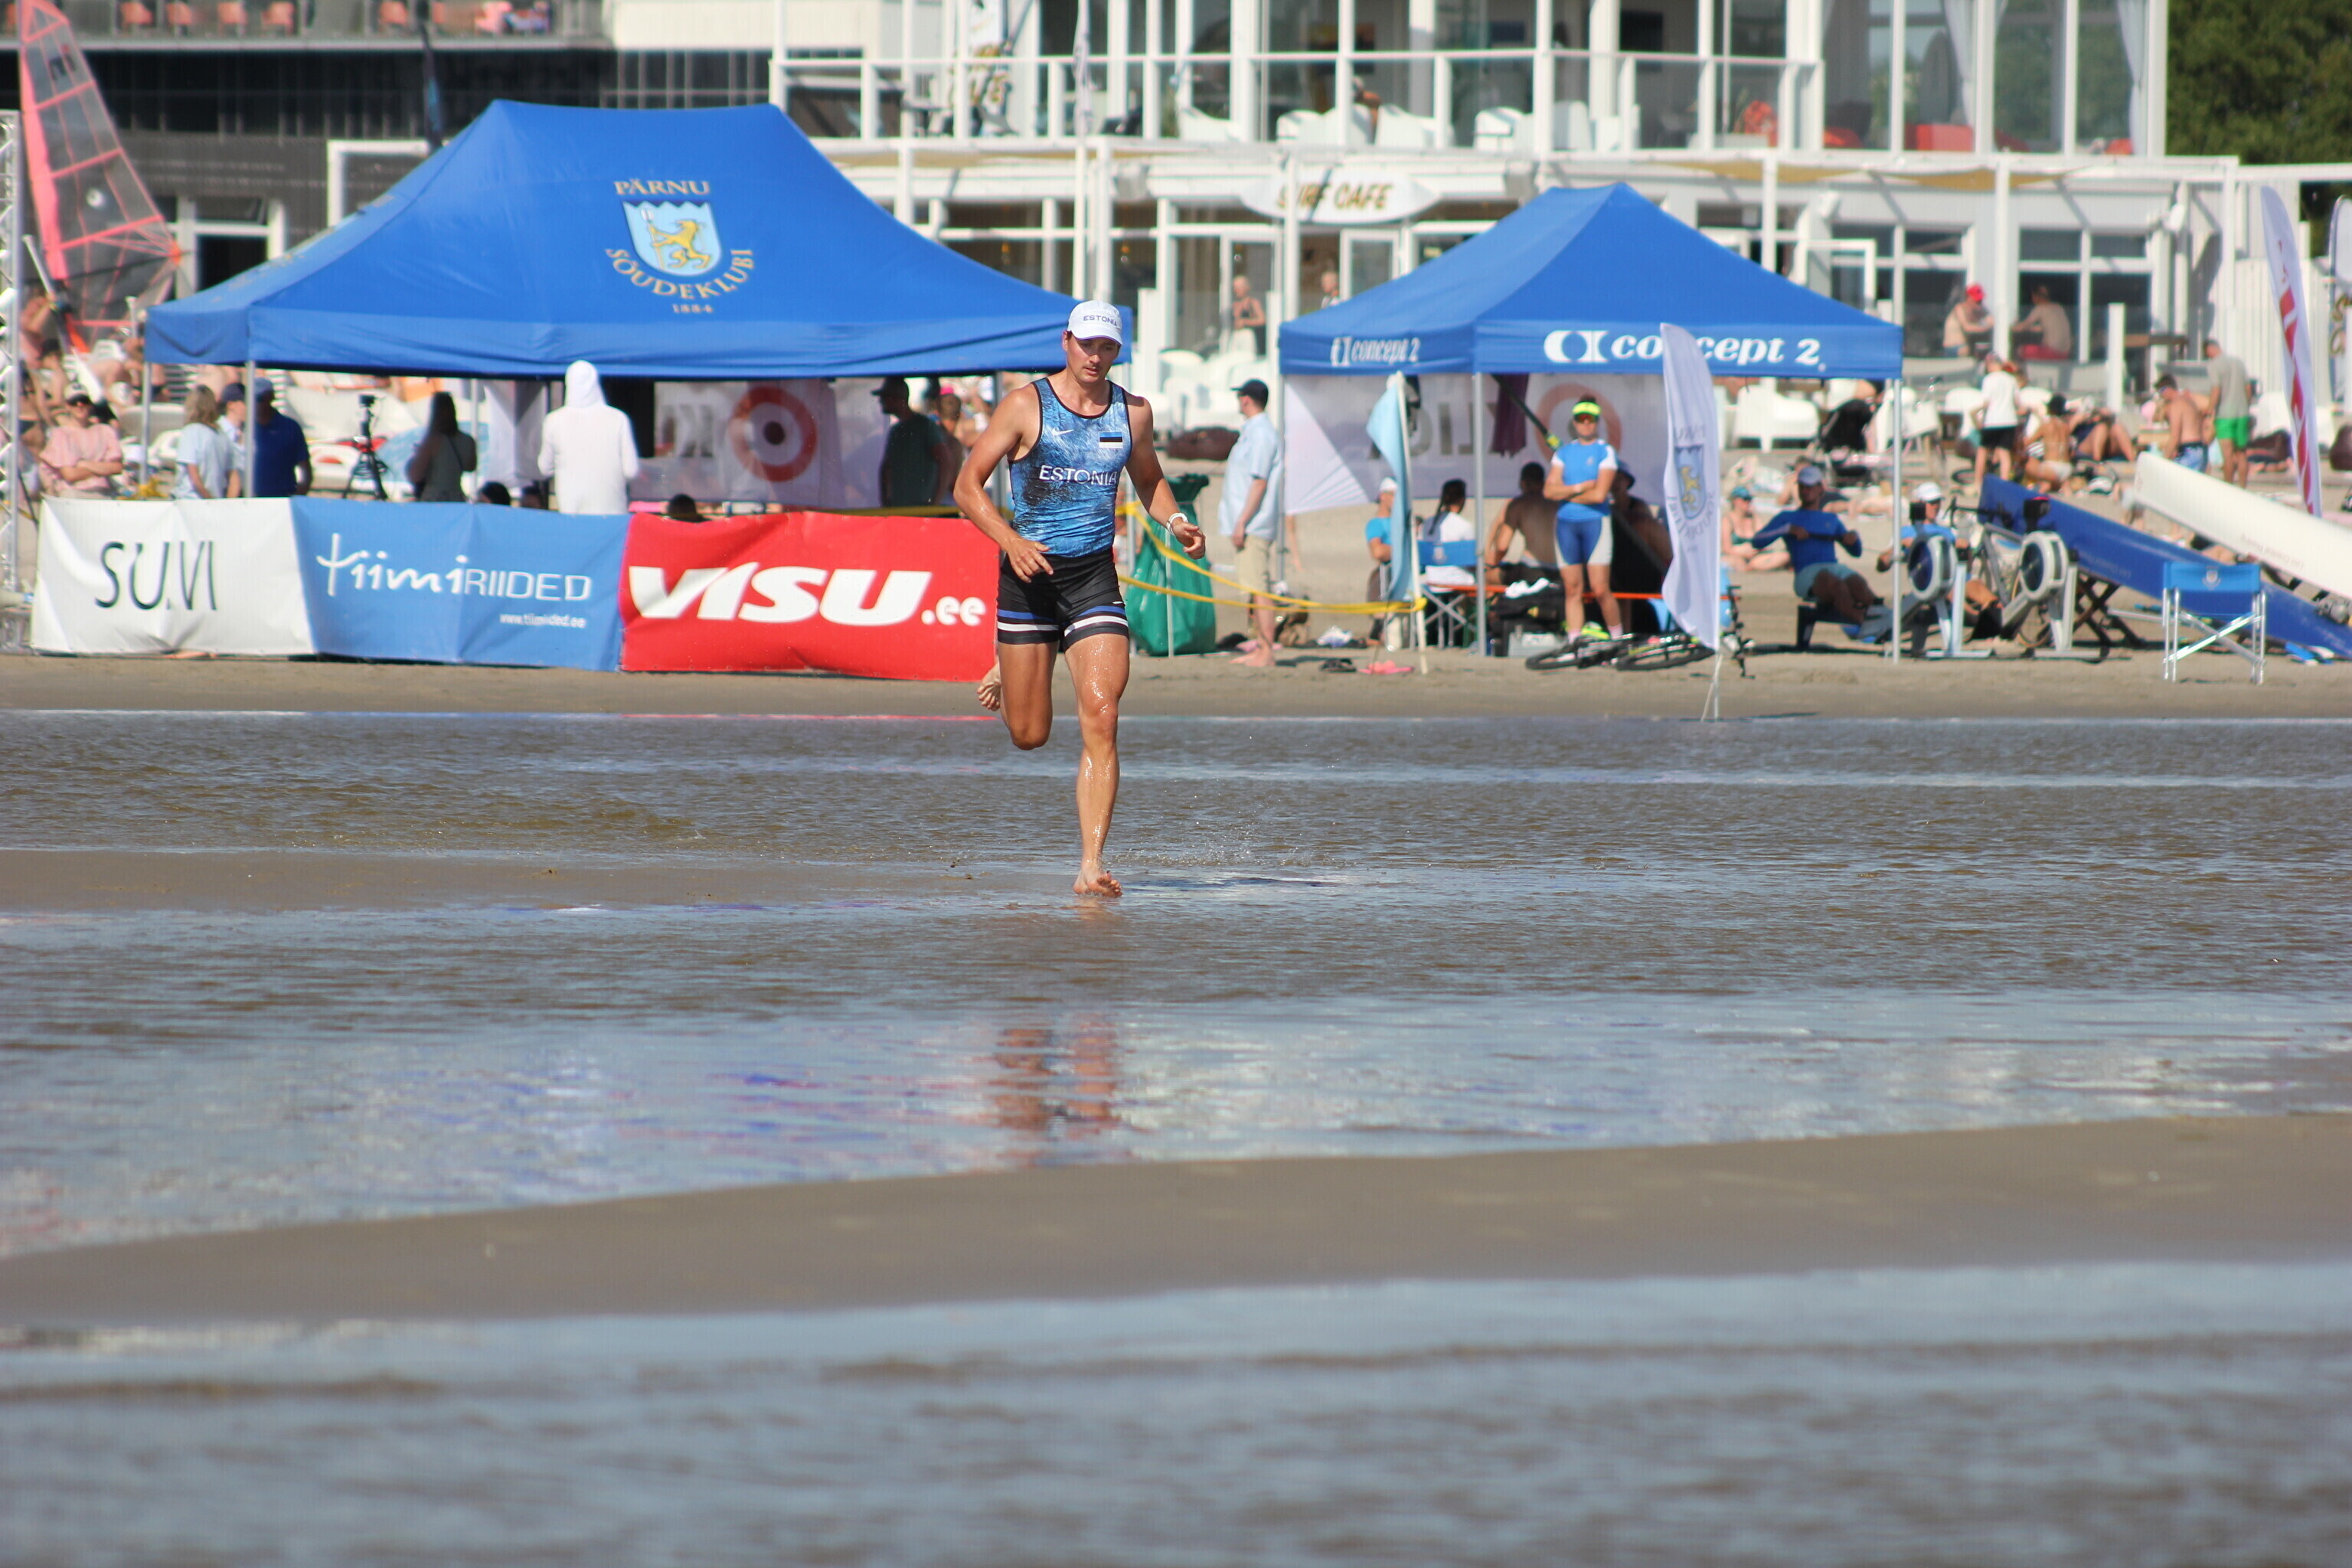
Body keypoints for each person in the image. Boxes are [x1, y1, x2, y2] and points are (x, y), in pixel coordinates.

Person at [953, 301, 1204, 897]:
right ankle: (1008, 663)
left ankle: (1091, 864)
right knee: (1029, 734)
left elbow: (1149, 480)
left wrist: (1175, 521)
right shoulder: (1025, 405)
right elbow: (966, 486)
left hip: (1092, 578)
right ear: (1067, 342)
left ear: (1119, 351)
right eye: (1087, 344)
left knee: (1103, 714)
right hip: (1029, 577)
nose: (1096, 356)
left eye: (1107, 347)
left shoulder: (1133, 412)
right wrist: (1010, 541)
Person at [1753, 463, 1883, 632]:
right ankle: (1865, 623)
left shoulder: (1830, 519)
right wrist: (1787, 529)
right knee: (1833, 582)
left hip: (1833, 568)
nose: (1805, 491)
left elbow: (1856, 552)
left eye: (1810, 487)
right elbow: (1757, 541)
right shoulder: (1787, 517)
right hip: (1807, 574)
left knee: (1857, 583)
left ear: (1820, 488)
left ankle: (1884, 618)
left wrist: (1853, 539)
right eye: (1802, 487)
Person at [1543, 397, 1622, 644]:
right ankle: (1574, 641)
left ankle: (1618, 639)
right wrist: (1580, 488)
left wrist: (1565, 494)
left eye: (1590, 420)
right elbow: (1548, 492)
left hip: (1594, 523)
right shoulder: (1564, 453)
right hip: (1567, 525)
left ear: (1597, 422)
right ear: (1575, 423)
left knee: (1600, 589)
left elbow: (1599, 495)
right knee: (1572, 589)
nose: (1586, 424)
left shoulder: (1605, 451)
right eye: (1581, 419)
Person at [1221, 377, 1285, 667]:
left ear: (1246, 399)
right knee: (1253, 588)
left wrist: (1242, 522)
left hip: (1253, 524)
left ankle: (1267, 651)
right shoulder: (1253, 432)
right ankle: (1261, 647)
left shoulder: (1262, 434)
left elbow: (1259, 482)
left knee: (1259, 589)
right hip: (1248, 522)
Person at [537, 360, 640, 514]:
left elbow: (544, 468)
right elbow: (631, 470)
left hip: (571, 512)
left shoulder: (554, 420)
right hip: (612, 512)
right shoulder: (618, 418)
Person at [875, 375, 958, 506]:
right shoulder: (896, 430)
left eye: (885, 397)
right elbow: (887, 468)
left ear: (898, 398)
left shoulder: (925, 426)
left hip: (920, 510)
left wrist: (935, 502)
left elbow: (946, 462)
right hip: (901, 509)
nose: (880, 401)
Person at [38, 393, 124, 498]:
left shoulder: (105, 430)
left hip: (102, 491)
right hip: (73, 492)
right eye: (74, 403)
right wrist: (103, 469)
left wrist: (84, 464)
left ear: (90, 405)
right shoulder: (61, 434)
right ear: (67, 406)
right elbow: (70, 475)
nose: (79, 405)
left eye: (84, 401)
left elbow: (117, 468)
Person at [1485, 461, 1560, 577]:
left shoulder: (1518, 504)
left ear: (1523, 483)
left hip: (1531, 569)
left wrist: (1489, 565)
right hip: (1559, 570)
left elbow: (1502, 547)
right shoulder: (1558, 503)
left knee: (1487, 578)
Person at [245, 381, 312, 498]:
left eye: (259, 399)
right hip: (249, 499)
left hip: (282, 498)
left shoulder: (290, 428)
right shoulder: (244, 427)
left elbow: (305, 470)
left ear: (271, 397)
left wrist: (297, 497)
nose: (255, 404)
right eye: (251, 400)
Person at [404, 390, 473, 502]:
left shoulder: (433, 440)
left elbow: (415, 476)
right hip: (457, 498)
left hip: (434, 499)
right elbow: (470, 467)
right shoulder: (468, 440)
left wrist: (419, 455)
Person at [171, 385, 238, 500]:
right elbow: (234, 477)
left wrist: (208, 500)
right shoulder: (222, 436)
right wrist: (227, 504)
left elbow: (193, 474)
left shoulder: (191, 431)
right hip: (216, 501)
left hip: (191, 500)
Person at [2205, 339, 2252, 487]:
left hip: (2224, 415)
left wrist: (2209, 410)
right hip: (2242, 413)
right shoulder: (2238, 362)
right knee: (2242, 453)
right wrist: (2246, 406)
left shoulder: (2214, 365)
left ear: (2209, 349)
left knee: (2228, 455)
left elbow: (2216, 389)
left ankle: (2229, 488)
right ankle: (2243, 487)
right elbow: (2248, 388)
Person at [1973, 354, 2020, 486]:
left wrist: (1979, 418)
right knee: (2005, 452)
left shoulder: (1988, 379)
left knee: (1983, 451)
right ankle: (2004, 483)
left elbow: (1986, 403)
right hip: (2009, 420)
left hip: (1992, 420)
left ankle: (1977, 482)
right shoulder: (2011, 379)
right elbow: (2017, 402)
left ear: (1991, 365)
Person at [2020, 395, 2076, 492]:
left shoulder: (2046, 425)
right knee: (2065, 487)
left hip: (2051, 467)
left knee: (2029, 466)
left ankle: (2042, 486)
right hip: (2067, 468)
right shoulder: (2066, 426)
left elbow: (2028, 442)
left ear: (2050, 409)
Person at [2153, 376, 2208, 472]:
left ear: (2167, 389)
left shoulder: (2176, 404)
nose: (2160, 396)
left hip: (2188, 450)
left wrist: (2164, 461)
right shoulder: (2189, 401)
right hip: (2199, 449)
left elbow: (2175, 437)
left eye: (2160, 391)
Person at [2014, 285, 2073, 361]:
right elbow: (2046, 327)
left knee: (2021, 350)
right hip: (2065, 354)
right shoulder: (2058, 307)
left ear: (2035, 296)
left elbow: (2022, 326)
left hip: (2052, 352)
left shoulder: (2040, 308)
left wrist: (2008, 327)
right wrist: (2031, 328)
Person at [1943, 283, 1994, 358]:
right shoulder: (1959, 308)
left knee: (1984, 350)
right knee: (1969, 350)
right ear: (1969, 298)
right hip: (1953, 348)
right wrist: (1985, 328)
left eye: (1980, 300)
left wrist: (1986, 320)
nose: (1979, 303)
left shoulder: (1979, 309)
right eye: (1977, 300)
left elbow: (1992, 322)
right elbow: (1967, 328)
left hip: (1966, 347)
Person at [1229, 273, 1266, 356]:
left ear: (1246, 288)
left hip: (1247, 334)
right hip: (1236, 334)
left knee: (1246, 356)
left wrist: (1246, 322)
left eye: (1239, 287)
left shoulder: (1252, 303)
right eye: (1235, 288)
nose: (1236, 290)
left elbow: (1262, 320)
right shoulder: (1235, 304)